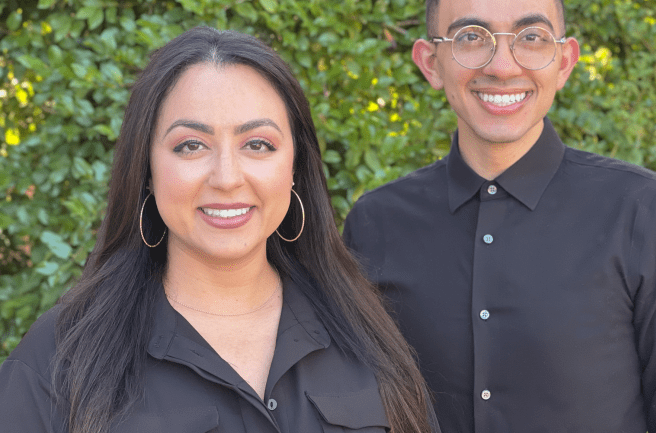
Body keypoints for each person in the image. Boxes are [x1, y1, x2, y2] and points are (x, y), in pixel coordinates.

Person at [343, 0, 656, 432]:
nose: (503, 66)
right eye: (470, 38)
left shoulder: (648, 214)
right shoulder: (376, 225)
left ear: (565, 61)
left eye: (530, 38)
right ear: (430, 63)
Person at [0, 26, 438, 433]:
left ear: (294, 167)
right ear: (147, 169)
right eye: (191, 145)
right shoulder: (60, 360)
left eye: (257, 144)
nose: (227, 177)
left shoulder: (366, 335)